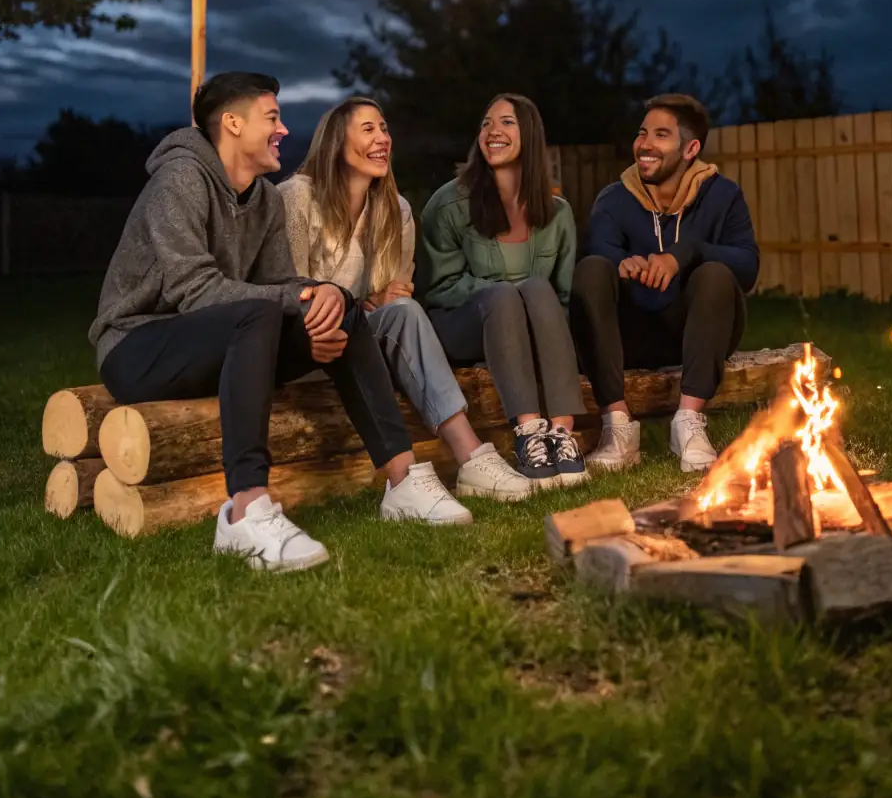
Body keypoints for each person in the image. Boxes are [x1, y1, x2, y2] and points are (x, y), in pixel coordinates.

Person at [90, 73, 471, 575]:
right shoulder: (178, 181)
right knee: (271, 308)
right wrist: (299, 297)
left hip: (226, 340)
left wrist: (322, 302)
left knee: (343, 308)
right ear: (231, 123)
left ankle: (402, 480)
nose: (284, 130)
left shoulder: (265, 199)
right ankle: (246, 509)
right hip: (138, 347)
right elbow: (195, 291)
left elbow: (282, 284)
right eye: (272, 117)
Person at [278, 98, 531, 501]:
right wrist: (357, 303)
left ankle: (472, 458)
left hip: (365, 343)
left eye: (384, 128)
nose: (382, 139)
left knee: (406, 311)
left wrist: (376, 300)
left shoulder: (396, 210)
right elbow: (287, 288)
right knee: (386, 313)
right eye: (368, 130)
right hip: (306, 341)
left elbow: (394, 294)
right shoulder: (296, 197)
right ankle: (407, 477)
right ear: (335, 142)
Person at [570, 94, 759, 473]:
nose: (645, 144)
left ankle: (688, 423)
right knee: (591, 268)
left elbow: (748, 265)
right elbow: (599, 247)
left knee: (716, 272)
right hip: (628, 338)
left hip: (697, 332)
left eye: (661, 135)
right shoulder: (614, 198)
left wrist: (684, 253)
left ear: (691, 148)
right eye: (642, 133)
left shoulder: (722, 195)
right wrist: (622, 263)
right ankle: (618, 427)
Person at [419, 94, 589, 489]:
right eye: (486, 123)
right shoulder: (448, 204)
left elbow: (560, 299)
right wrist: (509, 295)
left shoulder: (557, 213)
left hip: (529, 328)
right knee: (504, 295)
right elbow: (439, 288)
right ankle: (529, 433)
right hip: (463, 324)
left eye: (506, 123)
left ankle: (562, 434)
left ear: (529, 134)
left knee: (538, 288)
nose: (492, 131)